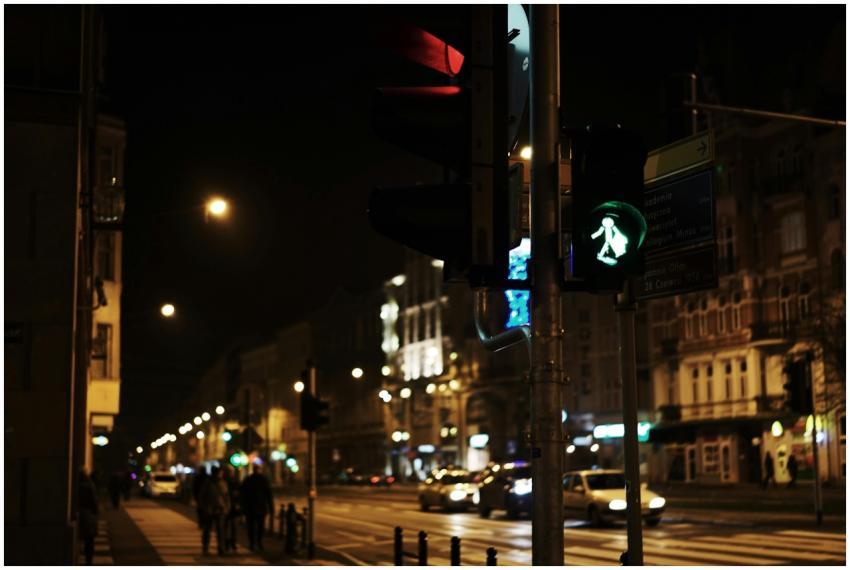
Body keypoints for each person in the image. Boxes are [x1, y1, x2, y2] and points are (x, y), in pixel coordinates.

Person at [240, 463, 274, 552]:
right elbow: (269, 495)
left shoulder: (248, 479)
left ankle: (252, 543)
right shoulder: (263, 480)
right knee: (259, 527)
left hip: (250, 507)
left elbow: (242, 494)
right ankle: (258, 543)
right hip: (260, 507)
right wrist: (271, 508)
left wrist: (242, 507)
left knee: (251, 527)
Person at [198, 466, 230, 556]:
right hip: (209, 509)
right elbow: (201, 496)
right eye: (220, 472)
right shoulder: (208, 483)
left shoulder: (223, 483)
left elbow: (227, 496)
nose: (221, 474)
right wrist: (204, 508)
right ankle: (205, 547)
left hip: (221, 509)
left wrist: (227, 507)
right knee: (207, 529)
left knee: (220, 530)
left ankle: (221, 548)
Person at [78, 469, 99, 565]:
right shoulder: (89, 486)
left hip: (80, 513)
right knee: (89, 540)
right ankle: (88, 561)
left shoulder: (77, 487)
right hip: (88, 515)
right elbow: (94, 502)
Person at [223, 465, 242, 552]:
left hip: (233, 507)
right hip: (225, 507)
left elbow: (240, 495)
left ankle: (233, 542)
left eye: (231, 472)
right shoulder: (223, 482)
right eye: (229, 472)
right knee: (226, 526)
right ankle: (227, 542)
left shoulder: (235, 482)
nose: (231, 473)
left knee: (233, 526)